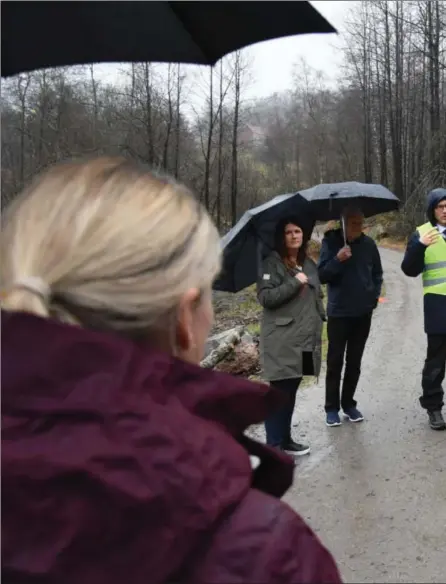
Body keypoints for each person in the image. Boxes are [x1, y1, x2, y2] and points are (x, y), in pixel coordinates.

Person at [1, 158, 342, 584]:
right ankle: (279, 435)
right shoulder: (263, 552)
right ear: (184, 318)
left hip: (306, 339)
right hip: (285, 341)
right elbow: (271, 298)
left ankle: (286, 434)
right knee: (283, 388)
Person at [257, 217, 326, 456]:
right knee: (279, 391)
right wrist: (295, 283)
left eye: (298, 231)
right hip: (282, 339)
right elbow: (266, 298)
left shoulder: (308, 263)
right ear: (281, 236)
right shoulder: (272, 263)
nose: (295, 235)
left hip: (306, 339)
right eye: (289, 232)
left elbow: (316, 293)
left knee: (293, 387)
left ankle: (285, 440)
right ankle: (273, 447)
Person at [318, 207, 383, 427]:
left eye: (360, 222)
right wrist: (337, 259)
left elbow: (377, 273)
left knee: (354, 362)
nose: (358, 227)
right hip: (339, 312)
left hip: (363, 312)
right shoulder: (331, 243)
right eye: (353, 223)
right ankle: (331, 408)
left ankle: (349, 404)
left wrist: (372, 297)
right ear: (342, 223)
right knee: (335, 361)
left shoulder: (369, 245)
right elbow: (321, 275)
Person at [401, 188, 446, 431]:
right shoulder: (422, 233)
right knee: (436, 361)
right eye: (440, 206)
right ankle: (434, 408)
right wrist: (419, 245)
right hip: (438, 305)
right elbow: (409, 269)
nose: (445, 210)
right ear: (432, 209)